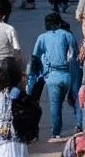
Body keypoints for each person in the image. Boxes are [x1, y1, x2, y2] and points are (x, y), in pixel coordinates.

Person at [30, 11, 76, 142]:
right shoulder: (68, 35)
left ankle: (56, 132)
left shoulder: (42, 37)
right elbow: (74, 56)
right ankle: (79, 126)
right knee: (73, 103)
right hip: (68, 75)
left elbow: (35, 57)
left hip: (52, 76)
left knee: (55, 105)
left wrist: (34, 77)